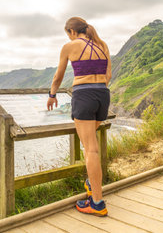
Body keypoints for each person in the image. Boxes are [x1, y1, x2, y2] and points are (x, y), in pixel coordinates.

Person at [47, 16, 111, 217]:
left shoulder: (69, 46)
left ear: (72, 32)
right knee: (91, 145)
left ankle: (98, 203)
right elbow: (108, 76)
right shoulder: (102, 45)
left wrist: (52, 95)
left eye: (68, 34)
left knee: (90, 150)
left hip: (84, 95)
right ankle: (92, 184)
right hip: (102, 95)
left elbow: (58, 76)